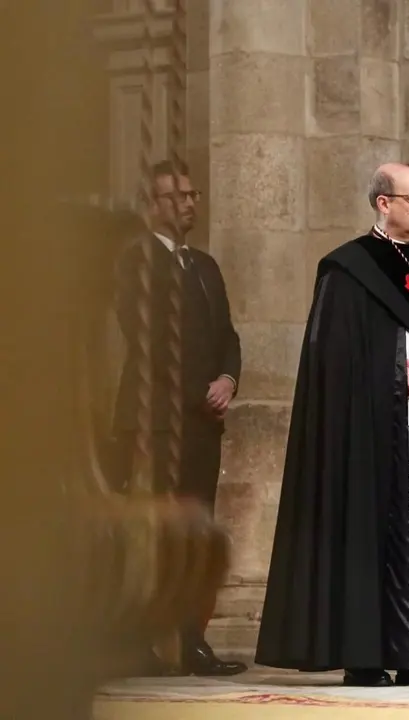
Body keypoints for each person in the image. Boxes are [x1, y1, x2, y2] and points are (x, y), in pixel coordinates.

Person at [255, 162, 409, 687]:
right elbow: (332, 357)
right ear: (383, 203)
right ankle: (367, 655)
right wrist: (396, 375)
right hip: (376, 428)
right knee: (383, 535)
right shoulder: (349, 270)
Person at [112, 159, 246, 676]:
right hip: (154, 420)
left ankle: (192, 642)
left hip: (200, 426)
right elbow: (145, 341)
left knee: (195, 535)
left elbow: (227, 337)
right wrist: (196, 390)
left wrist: (228, 381)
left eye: (194, 194)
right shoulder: (135, 261)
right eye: (179, 196)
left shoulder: (205, 265)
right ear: (154, 203)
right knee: (153, 533)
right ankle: (137, 644)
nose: (191, 203)